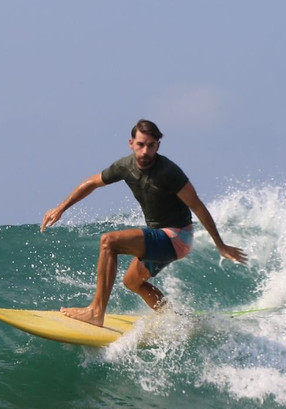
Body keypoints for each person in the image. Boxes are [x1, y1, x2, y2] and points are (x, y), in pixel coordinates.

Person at [41, 119, 247, 326]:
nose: (145, 151)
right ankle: (175, 320)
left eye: (151, 145)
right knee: (132, 282)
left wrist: (220, 244)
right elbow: (91, 183)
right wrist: (61, 208)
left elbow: (198, 206)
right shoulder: (125, 166)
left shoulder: (168, 172)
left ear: (158, 146)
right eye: (140, 144)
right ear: (131, 143)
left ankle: (95, 312)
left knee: (108, 241)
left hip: (177, 237)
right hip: (161, 237)